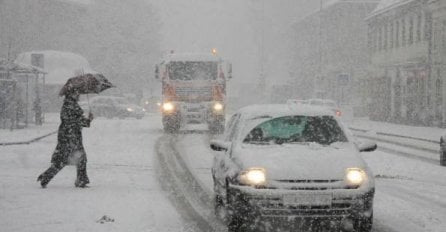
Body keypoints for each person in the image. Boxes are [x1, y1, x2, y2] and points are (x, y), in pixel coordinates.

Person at [37, 90, 93, 188]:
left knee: (64, 159)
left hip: (69, 135)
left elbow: (76, 120)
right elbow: (73, 121)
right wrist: (87, 120)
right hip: (70, 136)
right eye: (77, 93)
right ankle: (80, 180)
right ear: (72, 94)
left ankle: (46, 177)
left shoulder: (70, 104)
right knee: (75, 158)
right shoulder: (69, 105)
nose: (78, 95)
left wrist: (88, 120)